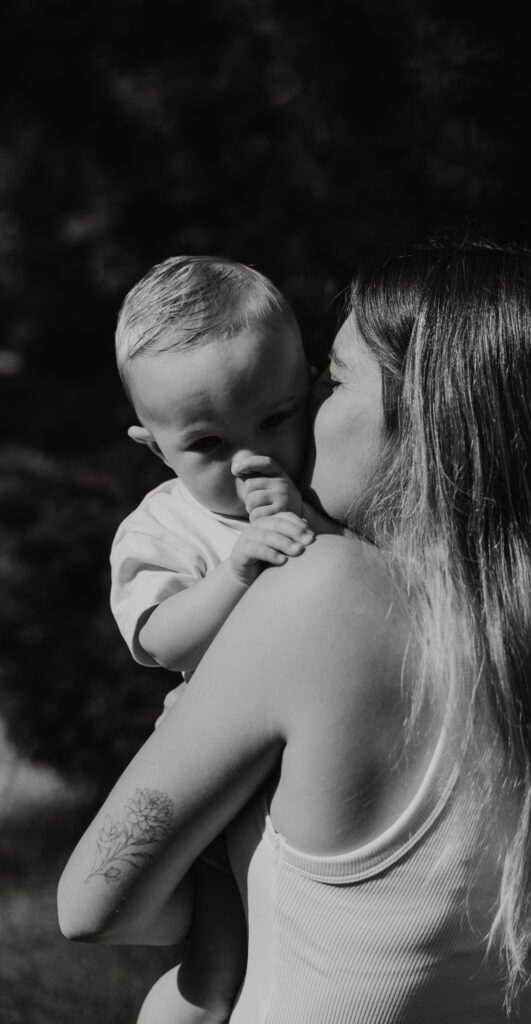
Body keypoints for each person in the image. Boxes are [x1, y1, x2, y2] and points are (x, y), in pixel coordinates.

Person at [59, 239, 531, 1024]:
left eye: (332, 377)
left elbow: (90, 906)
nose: (307, 406)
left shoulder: (325, 589)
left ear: (427, 416)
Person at [111, 255, 334, 1023]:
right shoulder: (164, 526)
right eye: (207, 443)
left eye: (274, 419)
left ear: (308, 389)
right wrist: (235, 572)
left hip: (320, 764)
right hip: (219, 773)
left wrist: (314, 525)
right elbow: (162, 638)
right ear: (156, 447)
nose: (250, 458)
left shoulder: (329, 488)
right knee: (217, 967)